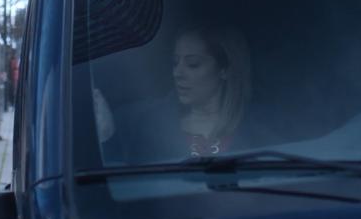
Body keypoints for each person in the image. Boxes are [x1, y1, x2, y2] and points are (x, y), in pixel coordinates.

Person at [112, 24, 263, 163]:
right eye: (175, 62)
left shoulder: (259, 127)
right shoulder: (153, 128)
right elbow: (134, 183)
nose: (177, 73)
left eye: (193, 64)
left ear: (224, 70)